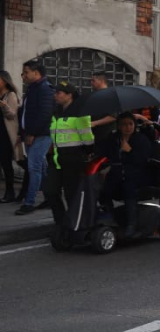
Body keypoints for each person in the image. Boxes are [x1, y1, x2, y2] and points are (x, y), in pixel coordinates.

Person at [45, 81, 94, 235]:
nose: (55, 96)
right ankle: (61, 222)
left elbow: (88, 140)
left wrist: (84, 152)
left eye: (58, 93)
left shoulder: (80, 112)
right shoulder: (56, 112)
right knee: (49, 191)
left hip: (73, 160)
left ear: (69, 95)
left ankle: (74, 225)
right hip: (56, 159)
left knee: (71, 194)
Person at [99, 112, 151, 237]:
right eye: (124, 125)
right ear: (118, 126)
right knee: (103, 192)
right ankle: (111, 219)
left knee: (129, 190)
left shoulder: (140, 139)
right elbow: (105, 153)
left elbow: (144, 160)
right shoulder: (113, 138)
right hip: (116, 174)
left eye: (130, 124)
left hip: (136, 175)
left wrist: (130, 151)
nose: (128, 127)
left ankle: (132, 224)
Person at [16, 59, 54, 215]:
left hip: (41, 135)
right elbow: (25, 113)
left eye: (26, 72)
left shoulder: (45, 89)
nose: (23, 75)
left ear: (36, 72)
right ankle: (50, 198)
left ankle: (29, 202)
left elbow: (44, 115)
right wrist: (22, 133)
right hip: (30, 134)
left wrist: (32, 133)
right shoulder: (32, 88)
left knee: (34, 167)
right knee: (41, 167)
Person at [0, 71, 21, 203]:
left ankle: (10, 192)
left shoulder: (10, 95)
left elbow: (12, 115)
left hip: (6, 135)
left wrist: (4, 106)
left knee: (7, 164)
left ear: (5, 81)